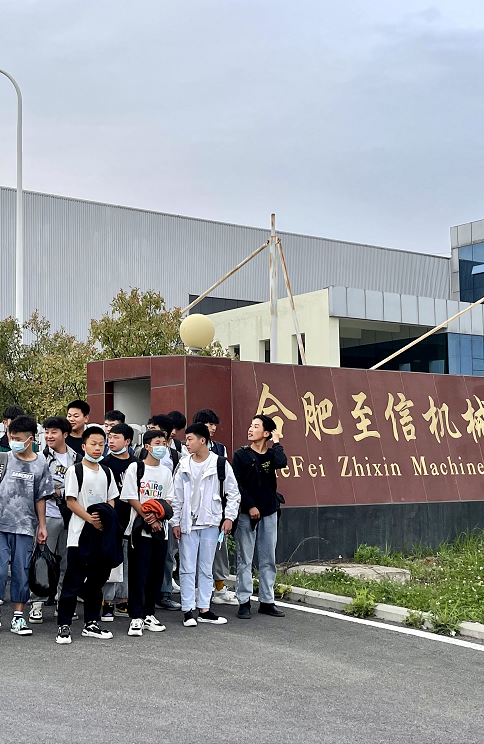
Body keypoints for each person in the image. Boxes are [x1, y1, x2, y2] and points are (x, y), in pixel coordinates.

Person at [171, 423, 240, 627]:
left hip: (211, 523)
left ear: (203, 440)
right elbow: (176, 497)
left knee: (206, 568)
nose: (187, 443)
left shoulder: (220, 463)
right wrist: (175, 522)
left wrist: (229, 518)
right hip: (188, 524)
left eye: (190, 439)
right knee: (187, 568)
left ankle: (204, 609)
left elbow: (233, 493)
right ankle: (187, 610)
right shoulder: (183, 464)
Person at [55, 426, 119, 644]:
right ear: (84, 446)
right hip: (79, 535)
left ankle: (91, 623)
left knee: (96, 582)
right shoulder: (75, 471)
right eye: (93, 444)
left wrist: (104, 520)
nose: (98, 448)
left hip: (101, 536)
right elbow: (70, 501)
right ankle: (64, 625)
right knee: (73, 581)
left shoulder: (107, 472)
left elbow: (111, 499)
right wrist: (90, 519)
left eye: (101, 444)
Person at [0, 415, 53, 635]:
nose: (13, 442)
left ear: (30, 439)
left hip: (24, 526)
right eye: (11, 438)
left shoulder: (40, 463)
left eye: (18, 439)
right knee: (0, 571)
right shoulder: (3, 459)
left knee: (21, 571)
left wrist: (42, 525)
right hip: (1, 525)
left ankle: (18, 617)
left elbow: (41, 497)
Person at [232, 415, 287, 620]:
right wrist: (250, 506)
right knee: (245, 559)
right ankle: (244, 601)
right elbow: (237, 484)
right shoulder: (241, 455)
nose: (250, 429)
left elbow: (282, 462)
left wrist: (277, 442)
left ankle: (267, 601)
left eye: (256, 426)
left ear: (266, 433)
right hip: (247, 514)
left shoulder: (272, 455)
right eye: (250, 425)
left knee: (268, 559)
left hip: (269, 511)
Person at [120, 429, 174, 637]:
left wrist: (157, 517)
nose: (161, 447)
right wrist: (148, 517)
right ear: (148, 446)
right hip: (139, 531)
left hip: (160, 532)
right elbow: (131, 496)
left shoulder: (166, 472)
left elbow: (168, 500)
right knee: (138, 574)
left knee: (155, 574)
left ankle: (149, 614)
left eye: (164, 443)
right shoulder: (136, 468)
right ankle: (136, 617)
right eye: (157, 443)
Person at [29, 416, 81, 625]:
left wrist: (60, 491)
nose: (49, 436)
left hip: (71, 517)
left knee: (67, 563)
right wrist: (58, 491)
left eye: (54, 432)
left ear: (65, 434)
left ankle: (63, 602)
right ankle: (37, 603)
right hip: (47, 517)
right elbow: (38, 488)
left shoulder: (76, 457)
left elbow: (79, 486)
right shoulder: (40, 458)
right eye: (47, 432)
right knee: (42, 561)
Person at [192, 408, 237, 607]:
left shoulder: (220, 449)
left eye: (214, 425)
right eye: (209, 424)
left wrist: (228, 513)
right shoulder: (189, 448)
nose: (213, 428)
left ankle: (219, 588)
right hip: (194, 511)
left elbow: (228, 483)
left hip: (215, 509)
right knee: (194, 553)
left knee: (219, 550)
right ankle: (196, 590)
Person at [100, 423, 137, 620]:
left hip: (132, 521)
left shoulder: (137, 464)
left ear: (127, 441)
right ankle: (107, 602)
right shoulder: (105, 464)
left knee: (128, 563)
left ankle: (123, 601)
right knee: (110, 562)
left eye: (116, 437)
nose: (111, 441)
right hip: (111, 522)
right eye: (110, 437)